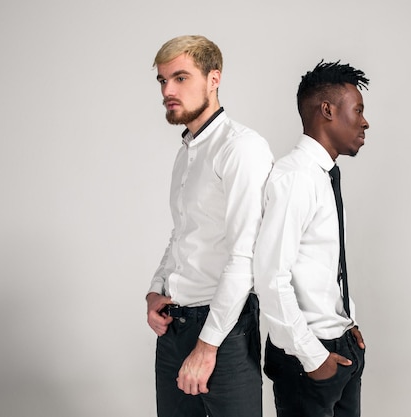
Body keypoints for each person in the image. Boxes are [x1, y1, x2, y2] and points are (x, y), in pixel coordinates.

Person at [145, 35, 273, 417]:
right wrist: (156, 289)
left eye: (180, 78)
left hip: (225, 330)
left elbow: (244, 255)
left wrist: (208, 345)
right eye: (162, 81)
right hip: (174, 326)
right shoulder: (186, 152)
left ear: (213, 79)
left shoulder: (241, 149)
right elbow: (182, 233)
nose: (168, 90)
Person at [254, 60, 370, 417]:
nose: (365, 122)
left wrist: (347, 325)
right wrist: (313, 356)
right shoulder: (295, 178)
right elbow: (270, 277)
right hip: (307, 358)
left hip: (340, 346)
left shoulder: (322, 176)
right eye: (358, 110)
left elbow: (321, 265)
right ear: (327, 111)